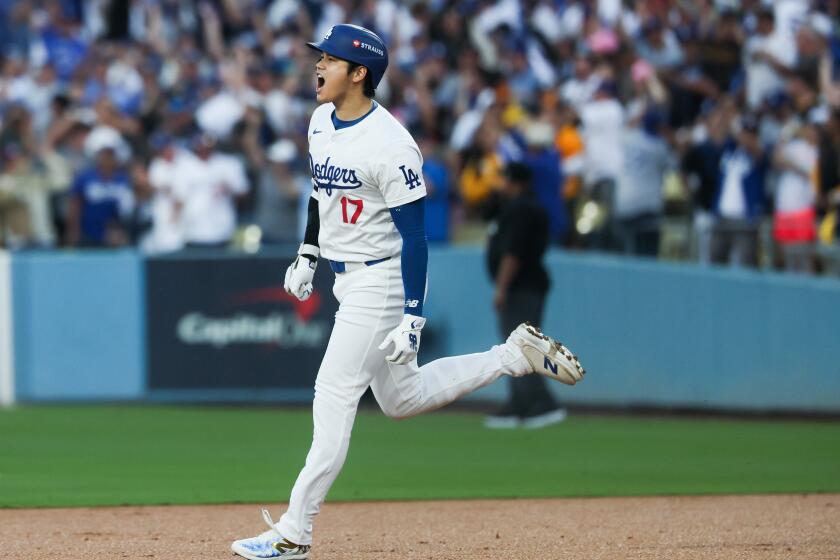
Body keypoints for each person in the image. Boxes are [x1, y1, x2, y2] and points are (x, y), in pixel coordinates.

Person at [230, 24, 585, 560]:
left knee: (333, 394)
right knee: (401, 399)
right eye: (318, 58)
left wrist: (413, 316)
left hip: (382, 279)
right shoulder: (320, 120)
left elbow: (416, 238)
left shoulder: (392, 145)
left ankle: (293, 532)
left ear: (360, 73)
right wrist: (309, 252)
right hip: (346, 276)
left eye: (328, 59)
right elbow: (320, 194)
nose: (317, 67)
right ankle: (514, 355)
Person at [484, 162, 566, 430]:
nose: (503, 185)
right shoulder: (524, 207)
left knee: (522, 345)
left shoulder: (521, 210)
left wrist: (502, 287)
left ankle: (540, 404)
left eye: (507, 180)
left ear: (518, 182)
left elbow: (513, 253)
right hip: (528, 285)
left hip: (522, 286)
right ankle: (520, 403)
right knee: (517, 344)